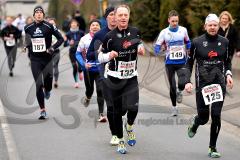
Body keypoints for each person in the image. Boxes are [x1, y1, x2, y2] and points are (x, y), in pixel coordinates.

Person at [185, 13, 233, 158]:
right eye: (210, 25)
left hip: (219, 84)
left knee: (216, 115)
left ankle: (212, 147)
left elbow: (227, 61)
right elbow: (189, 63)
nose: (213, 27)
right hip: (203, 85)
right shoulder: (197, 42)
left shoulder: (224, 41)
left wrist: (229, 74)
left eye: (215, 25)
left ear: (218, 26)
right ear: (205, 26)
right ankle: (195, 123)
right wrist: (187, 81)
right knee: (204, 117)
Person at [100, 4, 145, 154]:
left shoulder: (135, 32)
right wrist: (109, 56)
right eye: (120, 15)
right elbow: (100, 57)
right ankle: (120, 140)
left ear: (129, 16)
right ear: (115, 17)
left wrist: (140, 48)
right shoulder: (109, 37)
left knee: (133, 107)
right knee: (118, 111)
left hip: (131, 76)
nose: (123, 18)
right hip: (114, 79)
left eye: (125, 15)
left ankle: (130, 126)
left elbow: (139, 43)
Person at [24, 6, 64, 120]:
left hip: (47, 59)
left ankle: (48, 90)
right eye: (36, 12)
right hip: (35, 59)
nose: (39, 14)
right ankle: (42, 110)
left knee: (48, 82)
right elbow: (28, 39)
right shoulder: (28, 27)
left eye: (41, 12)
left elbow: (61, 39)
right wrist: (26, 46)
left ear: (43, 15)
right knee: (38, 84)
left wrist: (52, 48)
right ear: (34, 15)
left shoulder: (49, 26)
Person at [87, 6, 118, 145]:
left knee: (122, 107)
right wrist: (99, 51)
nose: (115, 17)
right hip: (105, 74)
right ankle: (115, 134)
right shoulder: (100, 34)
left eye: (116, 14)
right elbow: (89, 55)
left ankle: (124, 124)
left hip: (122, 74)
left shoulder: (124, 32)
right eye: (112, 14)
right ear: (107, 18)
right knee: (111, 105)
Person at [154, 10, 191, 116]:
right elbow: (157, 46)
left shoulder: (183, 30)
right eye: (173, 21)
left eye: (177, 21)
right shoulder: (164, 32)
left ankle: (180, 91)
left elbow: (188, 41)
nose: (175, 23)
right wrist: (159, 50)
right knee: (172, 86)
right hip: (169, 63)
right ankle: (174, 107)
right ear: (169, 20)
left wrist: (189, 50)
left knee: (182, 83)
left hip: (182, 61)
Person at [75, 19, 106, 122]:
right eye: (93, 25)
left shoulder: (104, 38)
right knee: (90, 90)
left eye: (97, 25)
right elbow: (78, 53)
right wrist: (83, 64)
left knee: (100, 90)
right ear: (90, 27)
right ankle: (88, 97)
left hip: (100, 68)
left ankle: (101, 114)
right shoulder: (84, 39)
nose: (95, 27)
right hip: (88, 69)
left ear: (100, 28)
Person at [64, 19, 84, 88]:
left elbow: (85, 40)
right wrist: (68, 43)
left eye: (75, 23)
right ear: (70, 25)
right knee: (74, 66)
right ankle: (76, 82)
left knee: (80, 65)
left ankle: (80, 71)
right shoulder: (68, 33)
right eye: (72, 24)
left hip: (80, 52)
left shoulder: (81, 32)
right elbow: (64, 44)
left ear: (77, 25)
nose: (74, 25)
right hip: (72, 52)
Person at [48, 17, 62, 88]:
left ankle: (55, 81)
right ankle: (49, 81)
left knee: (54, 66)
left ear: (55, 24)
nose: (51, 25)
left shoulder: (58, 32)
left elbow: (61, 40)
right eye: (50, 24)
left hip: (56, 51)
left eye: (52, 23)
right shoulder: (45, 32)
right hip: (47, 52)